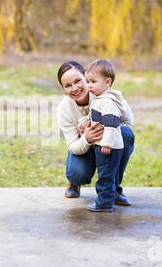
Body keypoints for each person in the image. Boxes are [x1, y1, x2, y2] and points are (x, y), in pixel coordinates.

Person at [56, 60, 134, 209]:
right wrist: (86, 138)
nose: (75, 88)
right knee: (77, 173)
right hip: (83, 145)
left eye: (78, 81)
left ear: (86, 78)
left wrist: (105, 131)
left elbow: (128, 123)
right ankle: (74, 183)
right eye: (68, 85)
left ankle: (113, 190)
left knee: (125, 134)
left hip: (107, 143)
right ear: (63, 89)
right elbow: (73, 144)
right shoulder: (63, 109)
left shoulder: (107, 96)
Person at [83, 59, 133, 212]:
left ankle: (104, 203)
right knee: (105, 173)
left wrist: (107, 143)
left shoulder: (108, 102)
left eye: (93, 81)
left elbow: (111, 125)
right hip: (103, 144)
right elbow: (96, 117)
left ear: (107, 82)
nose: (89, 85)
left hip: (108, 146)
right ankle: (107, 199)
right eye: (87, 81)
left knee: (105, 175)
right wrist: (83, 122)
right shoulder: (100, 99)